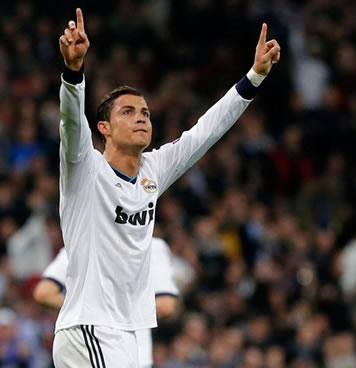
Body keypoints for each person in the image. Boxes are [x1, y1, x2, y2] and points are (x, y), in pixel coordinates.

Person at [53, 7, 280, 367]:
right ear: (103, 129)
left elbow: (206, 132)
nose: (141, 117)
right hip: (91, 326)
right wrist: (73, 72)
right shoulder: (84, 167)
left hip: (123, 331)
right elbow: (70, 122)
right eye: (127, 112)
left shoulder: (153, 170)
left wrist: (254, 77)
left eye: (144, 112)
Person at [34, 237, 179, 368]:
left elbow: (44, 293)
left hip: (78, 341)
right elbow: (166, 306)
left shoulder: (78, 242)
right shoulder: (151, 245)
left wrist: (83, 305)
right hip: (124, 350)